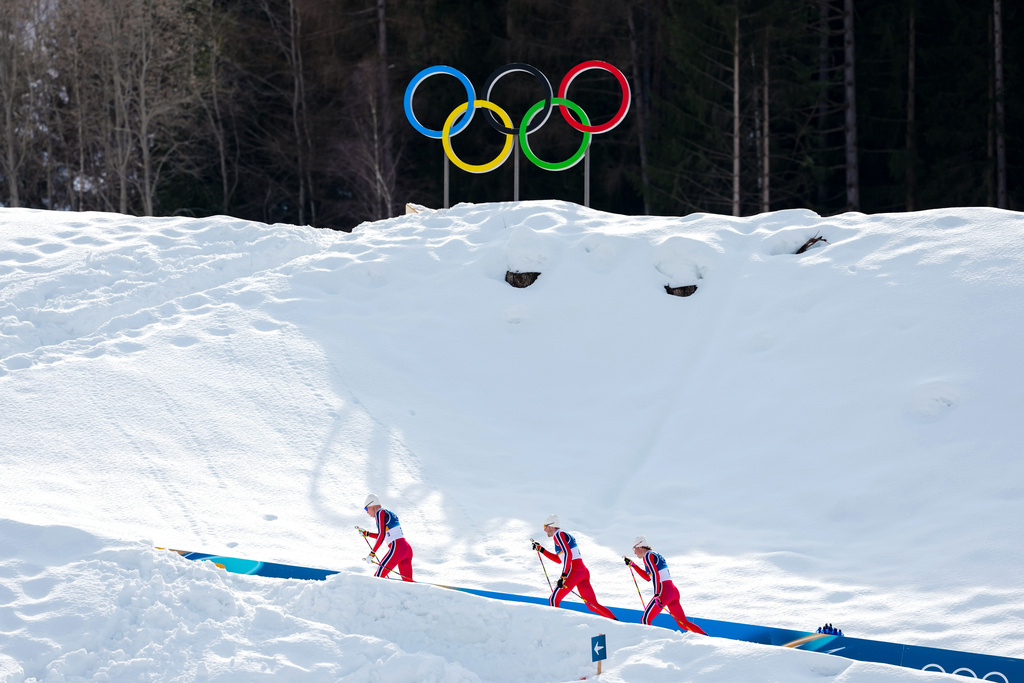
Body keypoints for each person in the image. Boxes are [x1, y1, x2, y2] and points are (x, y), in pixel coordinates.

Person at [531, 514, 617, 620]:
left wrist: (563, 576)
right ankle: (616, 622)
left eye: (545, 527)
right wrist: (542, 549)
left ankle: (556, 626)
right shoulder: (562, 536)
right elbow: (559, 559)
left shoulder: (558, 535)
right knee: (592, 605)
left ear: (551, 526)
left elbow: (568, 554)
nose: (544, 530)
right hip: (582, 572)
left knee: (553, 599)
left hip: (574, 571)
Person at [625, 535, 706, 634]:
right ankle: (706, 638)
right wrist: (632, 564)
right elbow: (647, 577)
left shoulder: (647, 556)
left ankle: (649, 644)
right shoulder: (653, 554)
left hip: (664, 591)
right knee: (683, 623)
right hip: (672, 591)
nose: (634, 552)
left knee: (645, 620)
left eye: (634, 548)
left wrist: (657, 594)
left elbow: (655, 574)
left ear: (640, 546)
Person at [359, 494, 414, 582]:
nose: (367, 512)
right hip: (406, 549)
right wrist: (367, 534)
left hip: (398, 548)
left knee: (377, 578)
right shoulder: (387, 513)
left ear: (372, 506)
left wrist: (372, 553)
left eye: (366, 508)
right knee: (409, 584)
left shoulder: (380, 513)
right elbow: (384, 535)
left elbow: (382, 535)